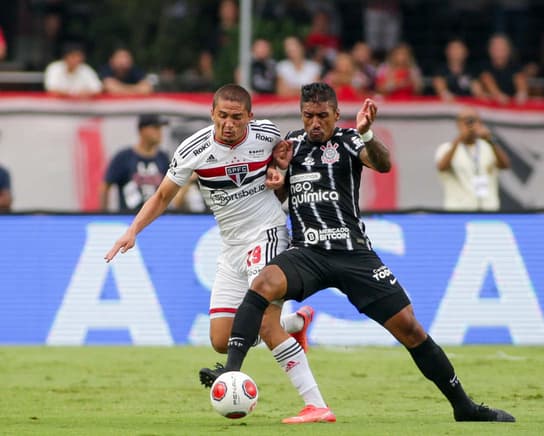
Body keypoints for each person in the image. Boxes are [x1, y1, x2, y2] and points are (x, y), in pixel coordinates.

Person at [200, 83, 516, 423]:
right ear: (301, 115)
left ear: (337, 115)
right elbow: (274, 198)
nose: (316, 123)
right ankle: (231, 372)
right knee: (262, 283)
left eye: (323, 116)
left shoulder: (350, 140)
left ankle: (464, 407)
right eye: (309, 116)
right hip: (308, 253)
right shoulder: (289, 147)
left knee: (409, 328)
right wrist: (276, 179)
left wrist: (367, 134)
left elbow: (382, 163)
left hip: (353, 255)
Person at [104, 84, 334, 424]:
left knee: (267, 326)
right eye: (222, 116)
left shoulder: (267, 134)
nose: (229, 124)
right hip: (230, 247)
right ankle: (296, 322)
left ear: (250, 118)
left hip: (267, 233)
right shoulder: (193, 149)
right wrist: (133, 230)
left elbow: (287, 167)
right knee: (221, 340)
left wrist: (280, 172)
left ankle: (316, 404)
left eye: (237, 118)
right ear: (212, 114)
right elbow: (163, 196)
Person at [435, 107, 511, 211]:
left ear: (480, 123)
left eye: (472, 120)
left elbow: (505, 165)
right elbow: (442, 167)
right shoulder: (447, 148)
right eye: (465, 120)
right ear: (458, 124)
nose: (469, 124)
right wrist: (460, 138)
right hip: (458, 211)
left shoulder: (489, 146)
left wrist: (490, 140)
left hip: (488, 210)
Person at [100, 114, 171, 212]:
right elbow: (105, 186)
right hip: (129, 218)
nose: (160, 132)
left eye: (160, 128)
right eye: (155, 128)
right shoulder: (124, 157)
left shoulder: (163, 158)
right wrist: (103, 215)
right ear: (142, 130)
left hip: (158, 219)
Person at [479, 34, 528, 104]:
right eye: (495, 48)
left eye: (502, 48)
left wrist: (522, 94)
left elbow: (520, 81)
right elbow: (487, 80)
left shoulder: (515, 66)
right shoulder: (484, 66)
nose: (498, 51)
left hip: (511, 106)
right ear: (489, 50)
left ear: (508, 50)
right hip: (490, 107)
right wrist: (498, 95)